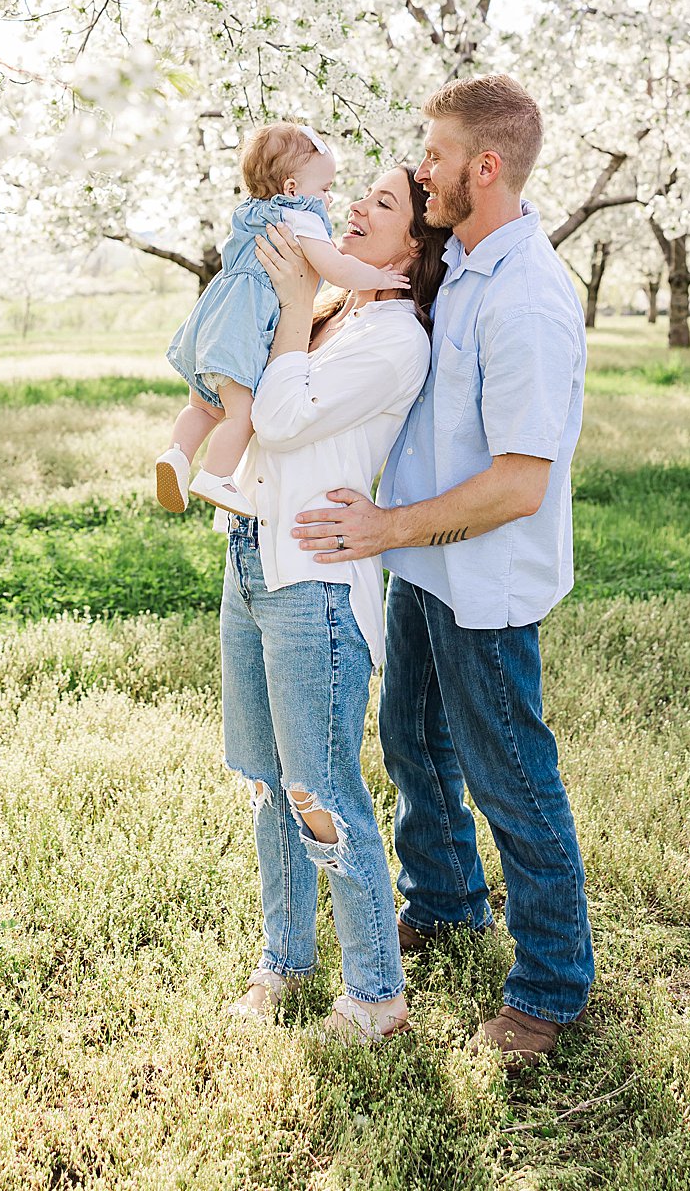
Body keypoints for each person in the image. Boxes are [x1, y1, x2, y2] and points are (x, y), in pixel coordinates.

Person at [291, 75, 594, 1071]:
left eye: (435, 154)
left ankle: (549, 990)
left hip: (486, 587)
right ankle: (448, 902)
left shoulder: (530, 297)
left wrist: (382, 527)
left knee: (514, 783)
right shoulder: (460, 263)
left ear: (487, 166)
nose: (420, 169)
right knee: (413, 745)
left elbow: (516, 486)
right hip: (422, 569)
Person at [219, 164, 449, 1042]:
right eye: (364, 195)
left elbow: (279, 421)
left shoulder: (395, 339)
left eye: (384, 205)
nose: (356, 207)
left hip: (314, 585)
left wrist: (289, 304)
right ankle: (284, 963)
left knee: (320, 785)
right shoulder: (333, 315)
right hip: (251, 558)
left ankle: (378, 996)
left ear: (413, 247)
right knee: (267, 779)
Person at [157, 121, 408, 517]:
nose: (332, 200)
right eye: (325, 188)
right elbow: (337, 268)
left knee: (204, 407)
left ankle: (176, 454)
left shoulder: (250, 212)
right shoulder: (300, 216)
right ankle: (215, 476)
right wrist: (377, 276)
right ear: (292, 189)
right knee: (240, 414)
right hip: (243, 326)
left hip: (211, 318)